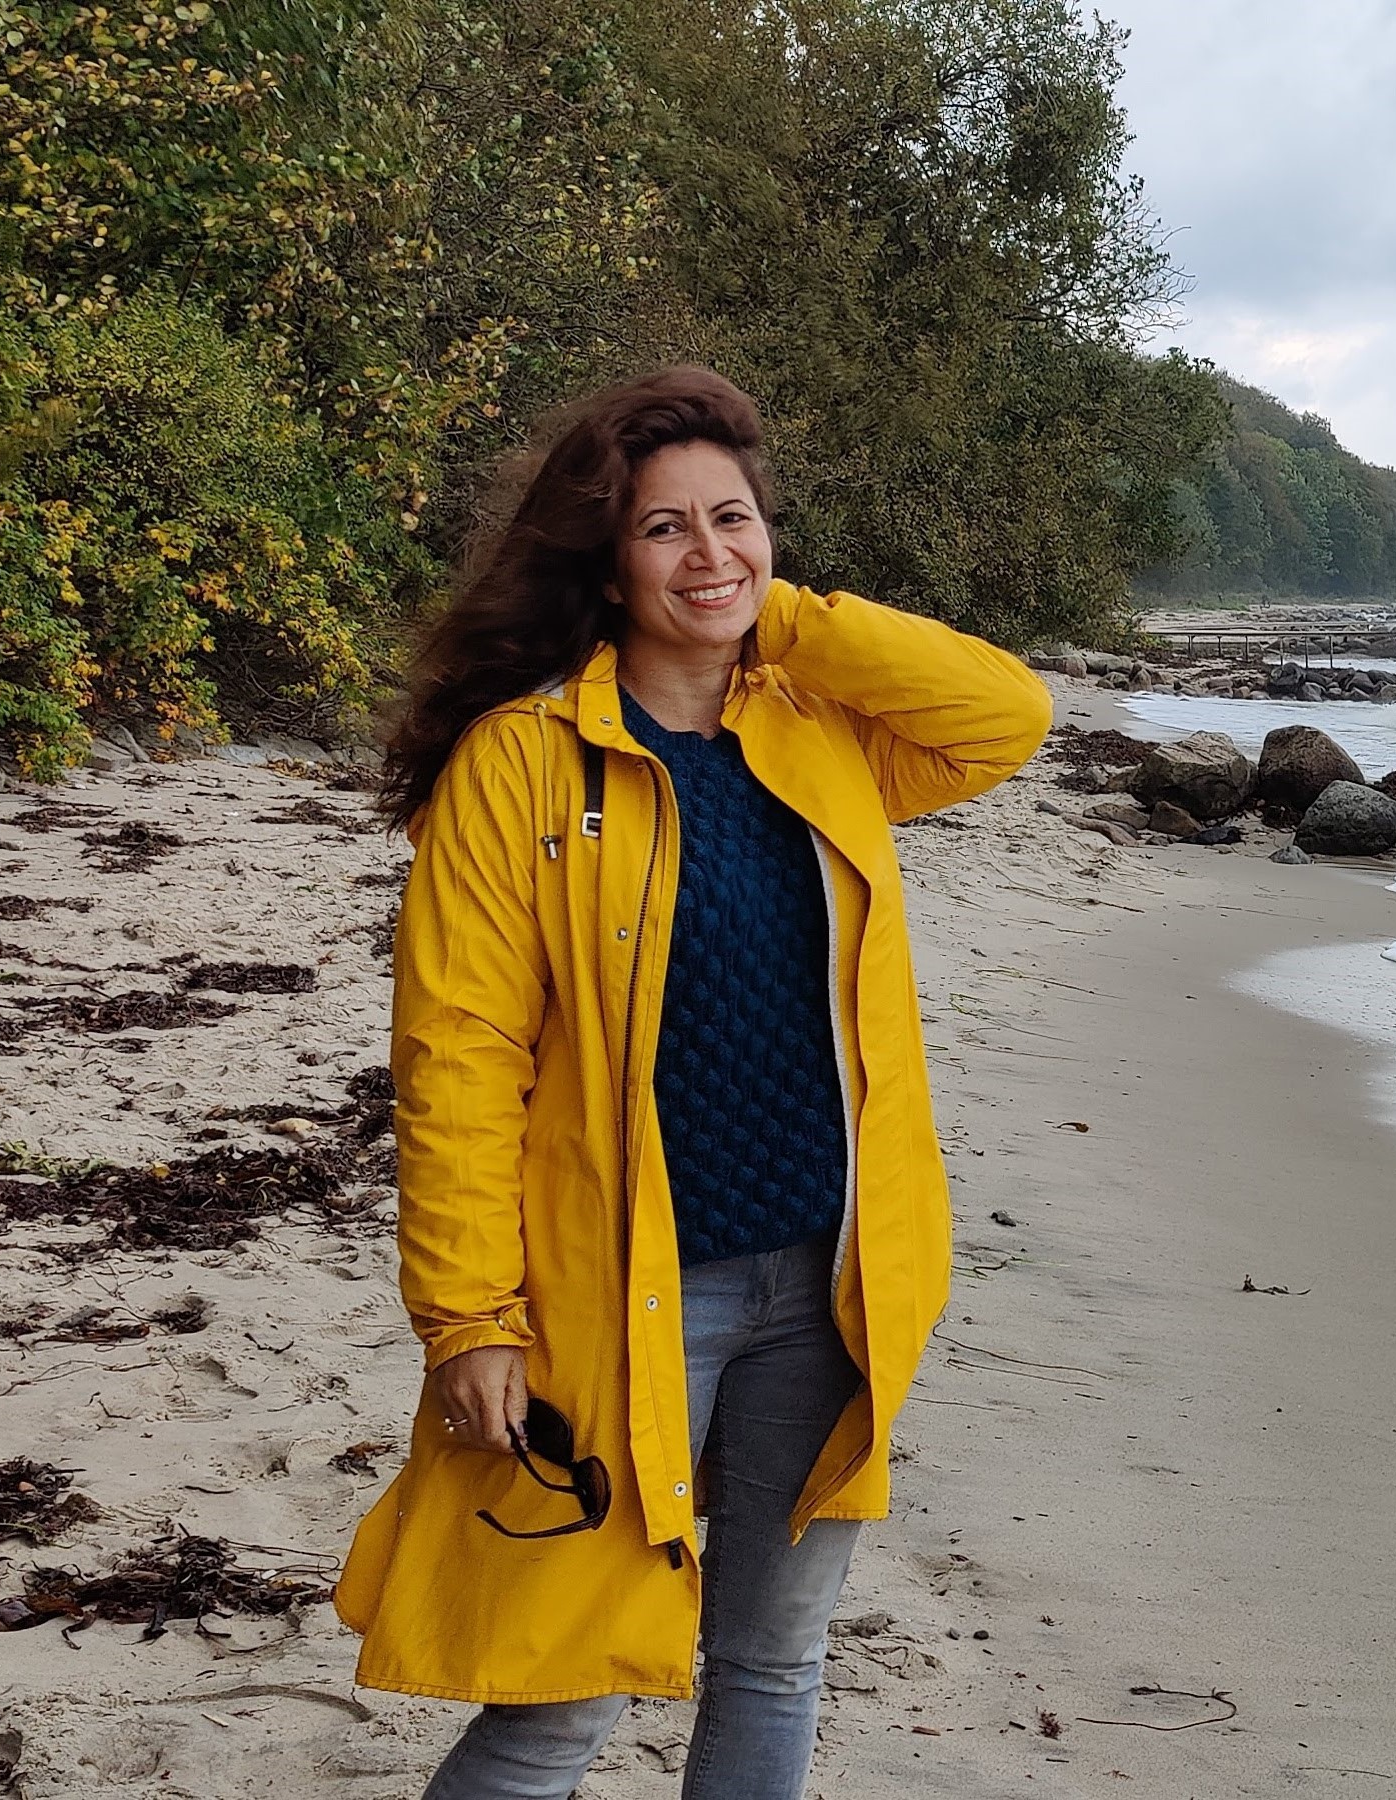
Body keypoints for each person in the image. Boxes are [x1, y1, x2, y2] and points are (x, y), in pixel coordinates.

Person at [339, 366, 1052, 1798]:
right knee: (563, 1700)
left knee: (775, 1661)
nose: (708, 553)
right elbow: (457, 1060)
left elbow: (1004, 713)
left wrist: (775, 615)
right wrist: (468, 1315)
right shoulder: (520, 764)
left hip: (831, 1277)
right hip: (618, 1292)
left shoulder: (823, 735)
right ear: (605, 561)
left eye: (734, 520)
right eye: (664, 529)